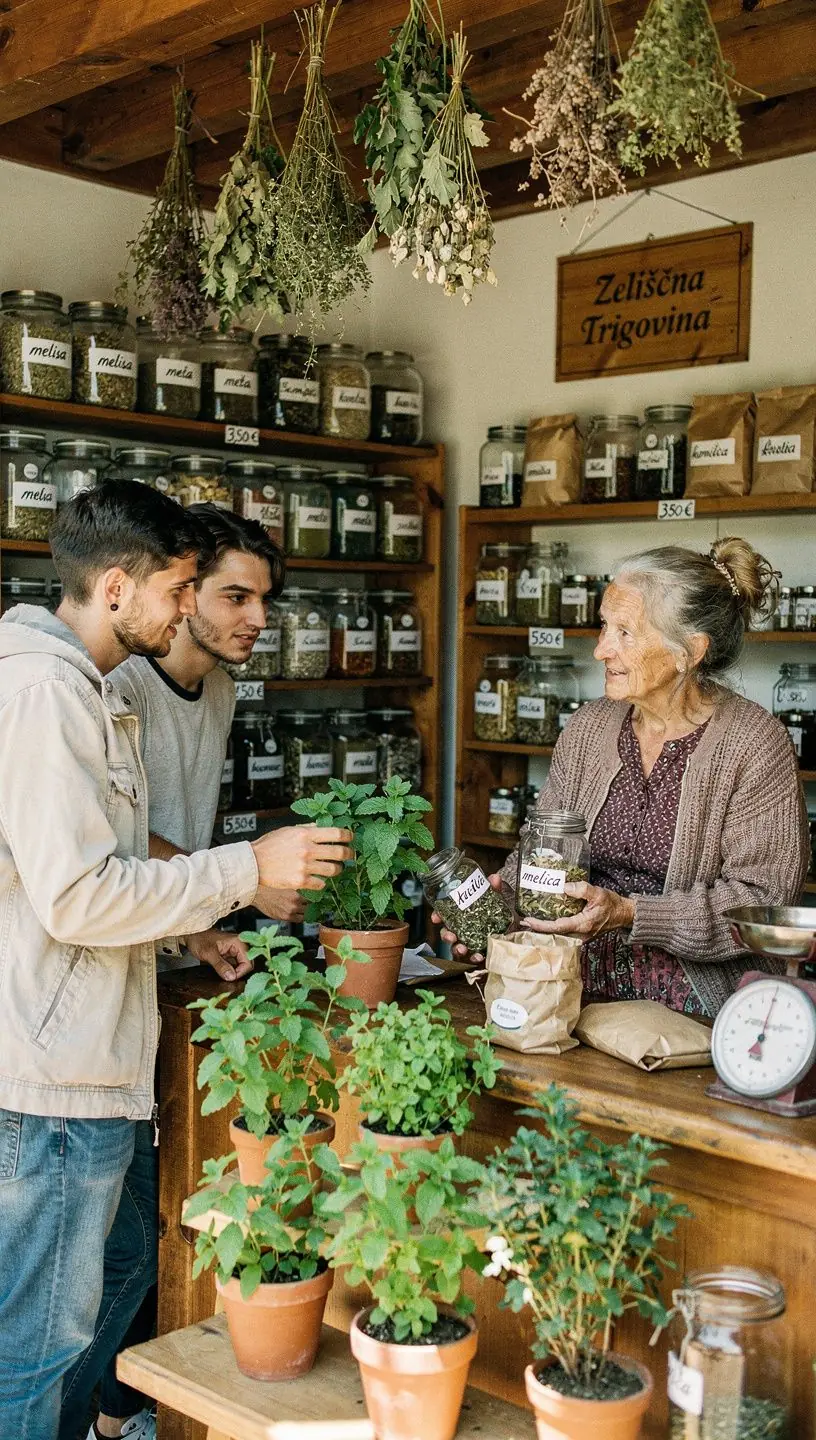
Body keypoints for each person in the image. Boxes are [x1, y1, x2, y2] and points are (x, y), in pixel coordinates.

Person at [0, 481, 352, 1440]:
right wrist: (245, 868)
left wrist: (196, 923)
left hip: (83, 1060)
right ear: (118, 587)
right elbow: (79, 896)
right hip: (52, 1071)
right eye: (182, 586)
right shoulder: (46, 694)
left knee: (83, 1302)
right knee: (32, 1343)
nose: (188, 606)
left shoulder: (75, 687)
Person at [59, 505, 299, 1440]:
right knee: (115, 1245)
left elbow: (183, 838)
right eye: (227, 594)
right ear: (174, 592)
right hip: (111, 972)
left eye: (261, 599)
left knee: (157, 1218)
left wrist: (206, 928)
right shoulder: (114, 684)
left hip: (172, 962)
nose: (252, 617)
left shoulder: (228, 690)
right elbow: (113, 843)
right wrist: (236, 886)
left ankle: (120, 1408)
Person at [439, 539, 809, 1017]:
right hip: (566, 981)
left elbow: (762, 901)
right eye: (603, 625)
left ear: (689, 651)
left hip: (694, 1005)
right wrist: (499, 911)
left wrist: (632, 913)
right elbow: (543, 850)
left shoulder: (755, 743)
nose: (600, 649)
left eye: (625, 633)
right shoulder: (589, 727)